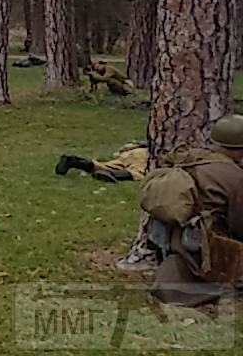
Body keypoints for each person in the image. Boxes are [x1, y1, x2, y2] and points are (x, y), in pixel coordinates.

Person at [147, 114, 243, 306]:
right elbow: (239, 225)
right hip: (210, 249)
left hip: (178, 243)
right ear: (239, 150)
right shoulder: (236, 177)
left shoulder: (190, 159)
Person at [55, 142, 149, 182]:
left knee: (103, 166)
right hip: (145, 154)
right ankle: (111, 174)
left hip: (132, 152)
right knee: (139, 172)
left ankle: (74, 161)